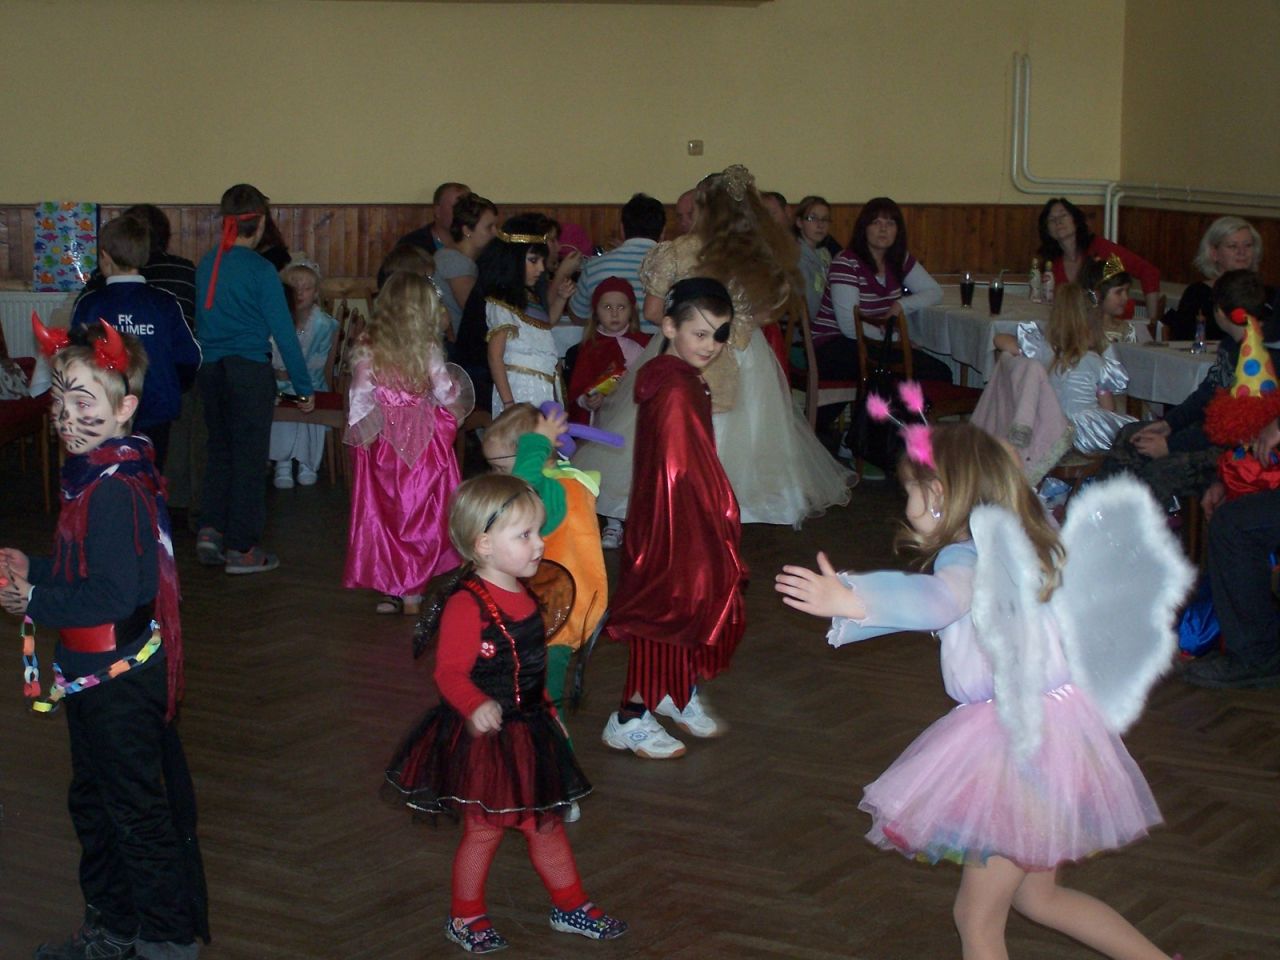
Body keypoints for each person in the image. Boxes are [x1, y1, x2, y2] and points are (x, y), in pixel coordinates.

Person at [775, 422, 1187, 960]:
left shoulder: (966, 558)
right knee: (1039, 898)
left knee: (976, 918)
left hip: (1017, 750)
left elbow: (937, 602)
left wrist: (856, 600)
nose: (908, 505)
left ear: (939, 494)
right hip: (1064, 732)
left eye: (911, 491)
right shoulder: (1029, 537)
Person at [2, 322, 207, 960]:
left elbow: (116, 597)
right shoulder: (96, 473)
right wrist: (37, 569)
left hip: (118, 680)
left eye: (83, 399)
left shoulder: (114, 489)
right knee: (96, 805)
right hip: (95, 673)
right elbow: (87, 569)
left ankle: (164, 942)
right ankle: (115, 929)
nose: (66, 414)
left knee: (134, 813)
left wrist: (34, 600)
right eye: (60, 397)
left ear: (125, 408)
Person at [384, 473, 627, 953]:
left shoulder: (526, 594)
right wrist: (475, 704)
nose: (539, 543)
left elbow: (532, 671)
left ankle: (569, 904)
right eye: (525, 535)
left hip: (529, 730)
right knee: (484, 829)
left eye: (538, 532)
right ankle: (465, 915)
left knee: (545, 822)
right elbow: (449, 673)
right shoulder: (466, 605)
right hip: (486, 740)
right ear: (484, 545)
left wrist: (549, 715)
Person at [577, 165, 854, 529]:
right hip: (745, 351)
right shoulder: (760, 254)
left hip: (687, 347)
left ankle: (683, 493)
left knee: (679, 422)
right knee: (748, 427)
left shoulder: (679, 251)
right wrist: (738, 321)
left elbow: (654, 311)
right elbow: (770, 312)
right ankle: (738, 500)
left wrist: (691, 324)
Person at [601, 278, 748, 759]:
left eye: (719, 334)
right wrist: (719, 509)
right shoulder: (677, 386)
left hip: (674, 514)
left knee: (684, 603)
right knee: (663, 610)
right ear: (669, 327)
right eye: (699, 333)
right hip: (675, 519)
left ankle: (672, 689)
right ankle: (629, 716)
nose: (711, 345)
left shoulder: (675, 377)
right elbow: (680, 465)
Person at [195, 183, 314, 574]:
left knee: (220, 452)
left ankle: (210, 530)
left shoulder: (208, 263)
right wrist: (304, 388)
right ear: (260, 223)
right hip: (248, 374)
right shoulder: (262, 271)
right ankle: (242, 548)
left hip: (210, 372)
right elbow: (285, 335)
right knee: (249, 461)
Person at [344, 272, 471, 616]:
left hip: (385, 441)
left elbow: (360, 395)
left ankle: (398, 587)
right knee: (420, 510)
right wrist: (453, 406)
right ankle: (409, 588)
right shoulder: (427, 348)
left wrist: (361, 431)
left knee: (389, 513)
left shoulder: (369, 346)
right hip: (422, 440)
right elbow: (445, 391)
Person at [1101, 270, 1272, 506]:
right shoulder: (1230, 345)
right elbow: (1204, 396)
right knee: (1130, 436)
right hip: (1207, 435)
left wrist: (1171, 445)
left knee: (1158, 471)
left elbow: (1233, 430)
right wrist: (1169, 424)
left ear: (1219, 312)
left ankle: (1148, 525)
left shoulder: (1263, 354)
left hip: (1238, 450)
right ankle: (1103, 513)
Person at [483, 404, 607, 711]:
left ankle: (549, 742)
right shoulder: (557, 483)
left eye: (500, 469)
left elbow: (522, 485)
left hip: (552, 619)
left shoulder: (551, 491)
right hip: (544, 614)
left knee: (543, 705)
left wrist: (536, 443)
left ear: (531, 454)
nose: (496, 478)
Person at [72, 213, 201, 471]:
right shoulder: (165, 303)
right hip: (156, 408)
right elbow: (190, 357)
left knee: (105, 474)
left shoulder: (89, 304)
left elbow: (75, 359)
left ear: (104, 257)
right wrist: (170, 386)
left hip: (104, 410)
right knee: (150, 473)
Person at [812, 196, 950, 424]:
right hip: (834, 344)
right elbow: (849, 327)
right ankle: (870, 433)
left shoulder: (899, 259)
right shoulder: (846, 263)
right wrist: (895, 340)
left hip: (873, 344)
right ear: (863, 228)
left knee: (938, 372)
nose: (883, 229)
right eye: (876, 222)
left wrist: (900, 305)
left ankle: (891, 432)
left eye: (890, 223)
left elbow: (934, 291)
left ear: (898, 230)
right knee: (901, 372)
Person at [995, 274, 1136, 454]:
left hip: (1051, 427)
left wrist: (1022, 349)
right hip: (1085, 432)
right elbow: (1109, 408)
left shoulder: (1044, 351)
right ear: (1092, 325)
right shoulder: (1096, 361)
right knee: (1134, 432)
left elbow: (999, 339)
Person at [483, 215, 568, 415]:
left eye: (542, 261)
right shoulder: (501, 303)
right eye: (533, 260)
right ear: (513, 260)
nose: (541, 268)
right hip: (519, 391)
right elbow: (495, 356)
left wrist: (561, 298)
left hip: (544, 389)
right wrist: (509, 404)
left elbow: (545, 326)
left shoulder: (531, 297)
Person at [269, 259, 338, 489]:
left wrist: (292, 374)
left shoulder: (324, 325)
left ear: (316, 293)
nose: (300, 294)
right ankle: (283, 462)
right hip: (279, 384)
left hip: (311, 382)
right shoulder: (275, 319)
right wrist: (278, 371)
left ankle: (308, 462)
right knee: (277, 398)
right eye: (294, 288)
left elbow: (319, 361)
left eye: (306, 288)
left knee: (306, 399)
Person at [1037, 197, 1161, 321]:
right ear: (1047, 230)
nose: (1058, 221)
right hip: (1077, 327)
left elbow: (1149, 272)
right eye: (1051, 219)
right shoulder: (1052, 265)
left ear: (1076, 220)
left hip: (1117, 325)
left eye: (1063, 215)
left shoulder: (1101, 249)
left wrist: (1152, 322)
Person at [568, 193, 665, 330]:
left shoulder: (595, 266)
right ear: (663, 232)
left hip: (612, 343)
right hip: (662, 343)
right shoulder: (677, 268)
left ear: (622, 229)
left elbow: (578, 316)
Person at [1165, 216, 1265, 341]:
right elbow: (1184, 340)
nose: (1242, 252)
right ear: (1214, 253)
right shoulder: (1197, 294)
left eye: (1248, 245)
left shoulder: (1266, 294)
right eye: (1233, 246)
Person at [433, 193, 498, 337]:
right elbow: (476, 313)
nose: (495, 233)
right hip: (453, 344)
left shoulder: (454, 257)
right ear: (467, 230)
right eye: (489, 227)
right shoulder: (456, 262)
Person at [397, 181, 470, 253]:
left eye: (467, 207)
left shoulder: (473, 244)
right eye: (457, 207)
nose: (464, 212)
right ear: (437, 210)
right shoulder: (413, 245)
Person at [793, 195, 834, 321]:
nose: (820, 225)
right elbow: (810, 308)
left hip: (826, 319)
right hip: (807, 326)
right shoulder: (797, 257)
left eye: (825, 219)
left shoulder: (824, 254)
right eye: (813, 218)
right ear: (799, 222)